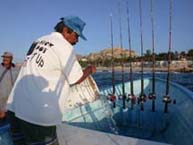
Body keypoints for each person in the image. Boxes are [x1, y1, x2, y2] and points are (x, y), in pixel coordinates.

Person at [6, 16, 96, 145]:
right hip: (36, 116)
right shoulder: (64, 46)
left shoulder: (39, 40)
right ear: (66, 30)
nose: (76, 41)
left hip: (15, 109)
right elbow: (76, 79)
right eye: (76, 36)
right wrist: (89, 69)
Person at [0, 52, 17, 123]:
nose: (5, 59)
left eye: (7, 57)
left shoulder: (16, 69)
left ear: (11, 59)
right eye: (4, 57)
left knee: (11, 122)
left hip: (12, 102)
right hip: (1, 101)